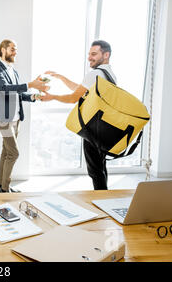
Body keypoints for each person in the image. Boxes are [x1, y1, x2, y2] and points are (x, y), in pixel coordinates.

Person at [40, 40, 117, 190]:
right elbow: (80, 89)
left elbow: (73, 98)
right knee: (100, 167)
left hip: (93, 129)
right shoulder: (109, 74)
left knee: (95, 171)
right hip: (105, 128)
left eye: (94, 54)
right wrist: (61, 77)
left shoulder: (94, 74)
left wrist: (52, 97)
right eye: (89, 54)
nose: (89, 57)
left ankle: (102, 201)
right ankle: (105, 197)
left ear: (106, 55)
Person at [0, 39, 49, 193]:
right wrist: (30, 84)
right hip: (4, 118)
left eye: (15, 49)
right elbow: (5, 89)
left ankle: (2, 186)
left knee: (6, 151)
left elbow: (19, 93)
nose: (15, 52)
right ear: (3, 50)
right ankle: (5, 188)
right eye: (12, 49)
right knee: (14, 153)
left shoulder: (13, 71)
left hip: (16, 118)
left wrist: (34, 96)